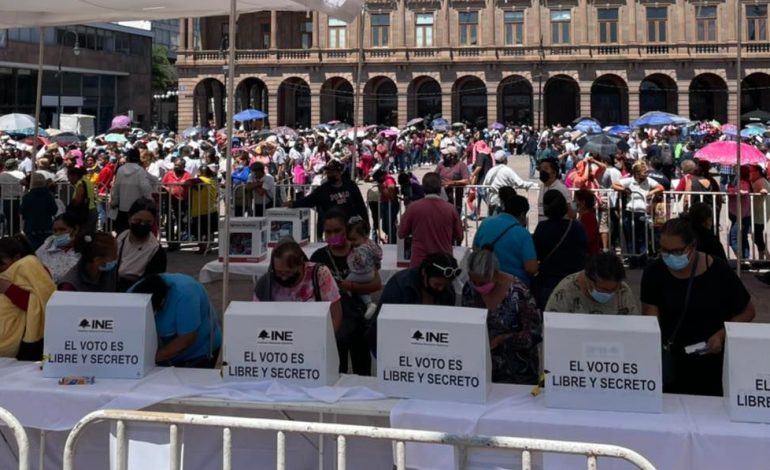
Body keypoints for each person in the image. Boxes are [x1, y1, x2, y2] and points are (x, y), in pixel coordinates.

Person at [642, 217, 755, 396]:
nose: (669, 256)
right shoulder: (654, 273)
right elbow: (650, 319)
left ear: (692, 246)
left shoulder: (719, 270)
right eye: (664, 250)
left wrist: (721, 334)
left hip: (712, 361)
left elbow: (747, 311)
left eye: (676, 251)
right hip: (672, 363)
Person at [310, 210, 381, 375]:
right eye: (328, 231)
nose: (332, 235)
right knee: (336, 370)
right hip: (333, 323)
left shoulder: (360, 251)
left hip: (359, 319)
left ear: (346, 230)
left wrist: (351, 287)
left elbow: (376, 283)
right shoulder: (319, 256)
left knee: (362, 370)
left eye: (337, 231)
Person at [461, 248, 541, 385]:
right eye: (475, 282)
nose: (478, 287)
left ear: (495, 274)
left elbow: (534, 333)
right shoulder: (470, 289)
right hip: (480, 370)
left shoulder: (518, 291)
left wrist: (502, 339)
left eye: (483, 283)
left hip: (518, 372)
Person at [129, 273, 222, 368]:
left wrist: (150, 359)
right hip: (162, 350)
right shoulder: (133, 293)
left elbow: (186, 339)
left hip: (198, 352)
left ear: (162, 302)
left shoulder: (185, 295)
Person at [255, 239, 343, 332]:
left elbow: (335, 314)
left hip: (313, 331)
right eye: (279, 273)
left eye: (288, 273)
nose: (283, 278)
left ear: (301, 263)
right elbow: (257, 317)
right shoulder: (266, 282)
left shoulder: (319, 274)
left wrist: (326, 339)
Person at [0, 236, 55, 360]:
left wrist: (9, 289)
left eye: (1, 264)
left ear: (17, 258)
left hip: (24, 341)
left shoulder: (31, 267)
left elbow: (42, 303)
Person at [533, 190, 588, 309]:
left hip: (549, 281)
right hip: (575, 281)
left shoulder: (542, 228)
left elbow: (536, 254)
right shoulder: (577, 227)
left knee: (547, 319)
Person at [290, 159, 368, 240]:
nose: (329, 175)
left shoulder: (351, 186)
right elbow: (309, 200)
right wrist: (293, 204)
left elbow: (361, 205)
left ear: (339, 173)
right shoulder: (323, 190)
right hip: (334, 230)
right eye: (328, 172)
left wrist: (366, 223)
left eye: (332, 172)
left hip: (350, 228)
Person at [398, 172, 463, 268]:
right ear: (440, 187)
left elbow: (401, 233)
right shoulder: (451, 209)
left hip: (419, 263)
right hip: (444, 263)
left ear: (423, 187)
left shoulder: (412, 208)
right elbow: (459, 236)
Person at [474, 190, 538, 285]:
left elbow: (475, 248)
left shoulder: (485, 222)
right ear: (522, 214)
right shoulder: (523, 234)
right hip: (513, 286)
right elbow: (531, 268)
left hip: (486, 280)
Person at [546, 252, 639, 314]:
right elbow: (552, 328)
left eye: (613, 290)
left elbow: (634, 326)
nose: (609, 294)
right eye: (604, 289)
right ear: (589, 280)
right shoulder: (565, 292)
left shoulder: (622, 290)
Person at [612, 160, 663, 265]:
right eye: (642, 174)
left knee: (643, 236)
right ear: (636, 173)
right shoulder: (629, 181)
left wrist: (651, 192)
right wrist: (624, 190)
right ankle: (633, 258)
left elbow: (661, 187)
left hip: (643, 212)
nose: (645, 176)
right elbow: (614, 185)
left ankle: (642, 258)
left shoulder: (649, 181)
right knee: (631, 237)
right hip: (630, 212)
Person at [116, 198, 167, 292]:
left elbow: (152, 284)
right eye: (137, 221)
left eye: (148, 222)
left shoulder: (156, 251)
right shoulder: (120, 238)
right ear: (129, 218)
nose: (142, 225)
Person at [344, 216, 382, 319]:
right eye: (349, 239)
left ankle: (347, 300)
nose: (352, 242)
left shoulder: (361, 249)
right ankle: (369, 304)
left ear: (364, 235)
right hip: (370, 272)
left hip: (362, 273)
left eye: (354, 239)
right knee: (362, 290)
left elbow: (362, 261)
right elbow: (379, 255)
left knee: (346, 283)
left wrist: (356, 257)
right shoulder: (371, 243)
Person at [111, 148, 154, 234]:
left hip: (123, 206)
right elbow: (145, 187)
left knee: (122, 232)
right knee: (135, 232)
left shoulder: (121, 170)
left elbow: (116, 187)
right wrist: (149, 201)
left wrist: (114, 201)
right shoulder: (140, 170)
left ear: (128, 158)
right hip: (137, 207)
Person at [483, 150, 536, 215]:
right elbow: (520, 183)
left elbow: (484, 185)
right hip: (503, 202)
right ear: (505, 160)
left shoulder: (490, 171)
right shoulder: (507, 170)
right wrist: (532, 184)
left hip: (492, 201)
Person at [35, 212, 81, 284]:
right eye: (55, 230)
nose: (57, 234)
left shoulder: (83, 252)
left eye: (62, 229)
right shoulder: (45, 249)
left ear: (75, 230)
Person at [20, 173, 57, 250]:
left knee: (33, 251)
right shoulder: (49, 196)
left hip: (31, 228)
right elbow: (54, 210)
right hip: (46, 227)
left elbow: (22, 211)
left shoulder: (27, 197)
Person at [188, 164, 219, 254]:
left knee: (200, 231)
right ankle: (208, 246)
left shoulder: (199, 180)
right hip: (211, 208)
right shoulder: (213, 181)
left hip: (200, 209)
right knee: (209, 230)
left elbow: (187, 182)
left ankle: (203, 247)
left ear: (200, 172)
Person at [749, 164, 770, 259]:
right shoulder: (761, 180)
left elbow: (763, 189)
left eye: (752, 171)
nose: (750, 173)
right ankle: (764, 257)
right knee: (757, 237)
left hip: (759, 214)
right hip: (761, 213)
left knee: (757, 237)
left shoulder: (760, 182)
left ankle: (765, 258)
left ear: (757, 172)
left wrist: (762, 190)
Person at [574, 188, 600, 256]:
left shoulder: (588, 217)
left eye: (575, 200)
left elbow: (588, 238)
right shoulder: (582, 216)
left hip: (588, 256)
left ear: (583, 202)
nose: (574, 203)